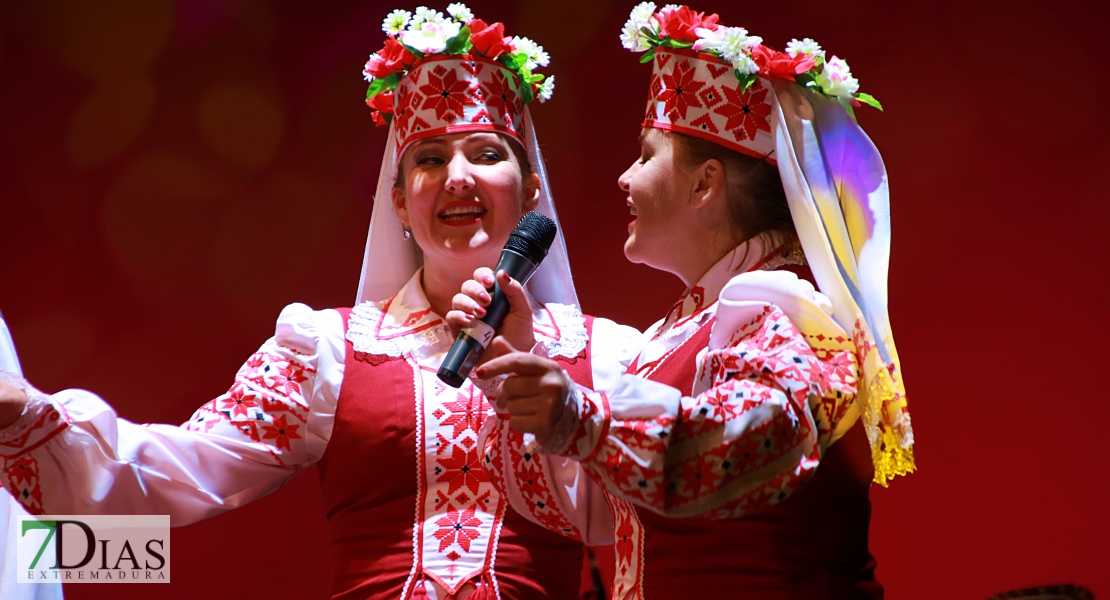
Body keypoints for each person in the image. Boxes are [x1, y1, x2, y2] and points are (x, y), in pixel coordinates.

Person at [0, 5, 639, 599]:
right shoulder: (330, 352)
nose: (457, 177)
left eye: (487, 154)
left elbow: (639, 513)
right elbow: (180, 470)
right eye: (430, 158)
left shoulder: (608, 355)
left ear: (531, 192)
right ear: (399, 203)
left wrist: (540, 373)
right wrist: (27, 415)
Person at [448, 4, 916, 598]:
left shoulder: (783, 313)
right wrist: (526, 366)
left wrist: (580, 416)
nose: (624, 177)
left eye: (646, 155)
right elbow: (593, 516)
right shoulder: (686, 331)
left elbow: (751, 439)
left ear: (704, 184)